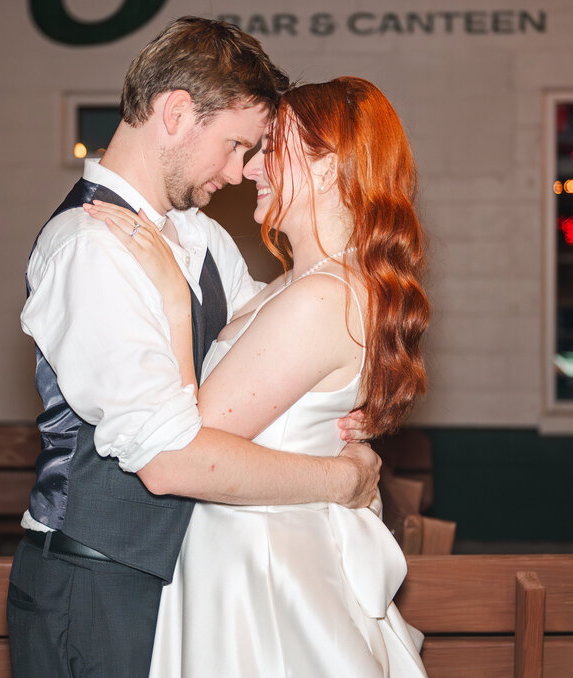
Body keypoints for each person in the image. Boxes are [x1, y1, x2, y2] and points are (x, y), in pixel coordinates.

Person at [8, 19, 382, 678]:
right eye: (237, 144)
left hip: (181, 583)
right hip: (96, 582)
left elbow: (263, 357)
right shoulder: (89, 248)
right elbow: (167, 457)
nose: (242, 172)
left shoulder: (198, 237)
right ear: (177, 113)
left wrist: (336, 413)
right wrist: (339, 478)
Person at [86, 76, 431, 676]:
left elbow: (185, 442)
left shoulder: (322, 297)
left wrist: (173, 303)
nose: (252, 170)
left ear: (327, 167)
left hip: (264, 571)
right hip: (250, 552)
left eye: (274, 148)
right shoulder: (299, 286)